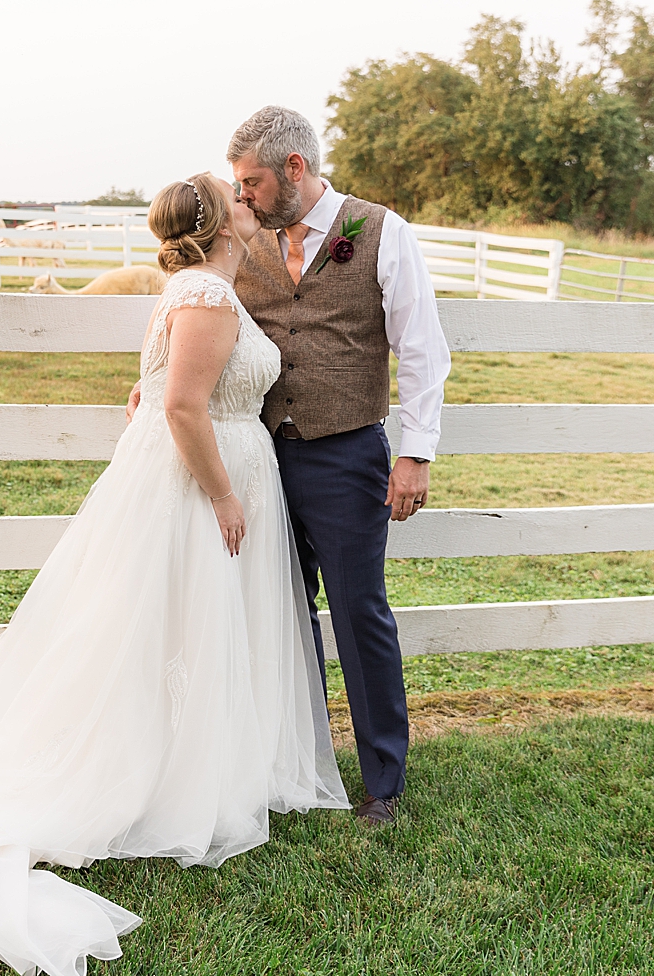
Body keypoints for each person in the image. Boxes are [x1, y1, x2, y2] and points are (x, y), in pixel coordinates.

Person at [0, 172, 349, 976]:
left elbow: (170, 387)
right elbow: (185, 407)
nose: (249, 200)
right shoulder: (202, 295)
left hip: (208, 470)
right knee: (178, 623)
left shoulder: (206, 288)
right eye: (235, 195)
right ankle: (165, 775)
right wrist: (223, 493)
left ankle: (207, 755)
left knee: (188, 625)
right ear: (221, 222)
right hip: (202, 484)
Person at [228, 105, 452, 823]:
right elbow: (196, 308)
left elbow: (421, 348)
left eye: (253, 182)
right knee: (278, 613)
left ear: (295, 168)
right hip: (261, 455)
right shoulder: (244, 239)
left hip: (349, 453)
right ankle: (291, 765)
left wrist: (414, 454)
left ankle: (383, 783)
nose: (244, 197)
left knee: (360, 616)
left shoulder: (380, 231)